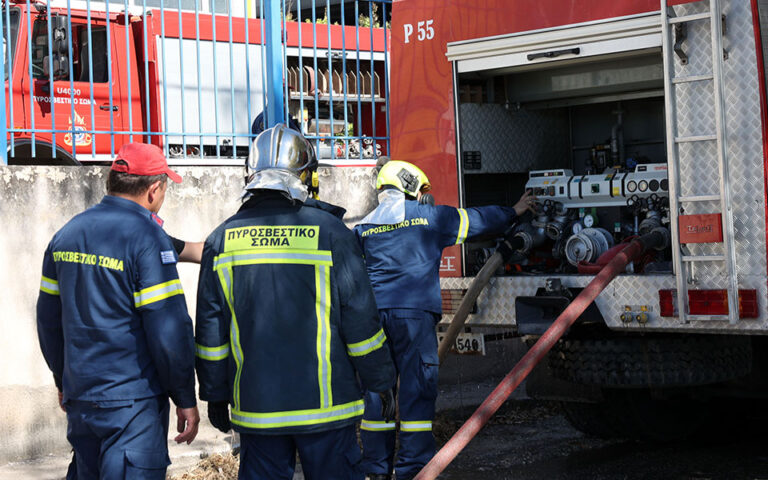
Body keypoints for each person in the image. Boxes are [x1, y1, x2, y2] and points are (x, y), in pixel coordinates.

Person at [195, 124, 396, 480]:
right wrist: (380, 379)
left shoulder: (220, 240)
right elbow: (361, 322)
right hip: (327, 409)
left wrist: (214, 394)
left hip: (258, 410)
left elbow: (212, 334)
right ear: (306, 175)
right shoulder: (332, 233)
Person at [354, 160, 534, 480]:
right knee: (417, 390)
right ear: (411, 187)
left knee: (377, 393)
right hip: (413, 318)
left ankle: (375, 471)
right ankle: (413, 470)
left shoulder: (362, 227)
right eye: (423, 191)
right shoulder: (429, 218)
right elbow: (477, 220)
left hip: (372, 320)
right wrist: (515, 210)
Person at [36, 142, 200, 479]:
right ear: (154, 189)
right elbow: (167, 328)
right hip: (132, 405)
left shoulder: (66, 236)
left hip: (81, 398)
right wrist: (184, 395)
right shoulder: (147, 239)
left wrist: (62, 377)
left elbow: (48, 321)